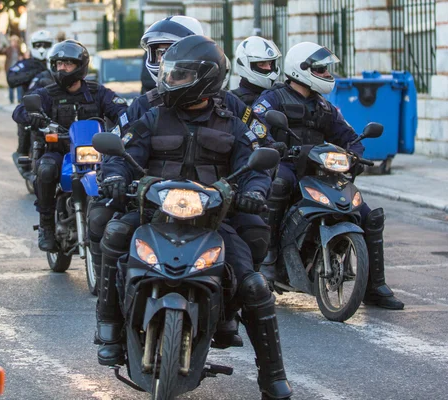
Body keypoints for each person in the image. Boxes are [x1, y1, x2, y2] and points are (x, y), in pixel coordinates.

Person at [95, 35, 292, 400]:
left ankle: (272, 377)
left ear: (207, 78)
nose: (171, 81)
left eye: (181, 76)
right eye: (171, 74)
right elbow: (121, 153)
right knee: (115, 234)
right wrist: (115, 178)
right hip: (153, 213)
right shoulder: (151, 116)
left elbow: (256, 166)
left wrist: (253, 192)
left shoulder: (232, 123)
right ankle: (109, 325)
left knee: (254, 284)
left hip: (214, 219)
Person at [253, 42, 405, 310]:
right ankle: (269, 260)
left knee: (368, 215)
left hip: (321, 168)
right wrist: (272, 145)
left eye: (325, 70)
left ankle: (375, 285)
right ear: (301, 70)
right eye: (320, 70)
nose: (326, 75)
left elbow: (347, 135)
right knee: (279, 185)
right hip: (288, 165)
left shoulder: (325, 106)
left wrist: (355, 152)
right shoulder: (272, 100)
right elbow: (255, 130)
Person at [12, 39, 128, 252]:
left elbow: (123, 111)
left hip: (92, 153)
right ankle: (46, 223)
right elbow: (20, 111)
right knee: (46, 170)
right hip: (58, 152)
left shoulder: (97, 92)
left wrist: (126, 122)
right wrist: (33, 116)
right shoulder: (47, 93)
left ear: (80, 66)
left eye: (67, 64)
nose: (61, 68)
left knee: (119, 173)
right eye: (58, 64)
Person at [7, 30, 54, 159]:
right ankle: (23, 154)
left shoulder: (57, 62)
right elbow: (11, 79)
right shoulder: (26, 64)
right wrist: (34, 73)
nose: (41, 48)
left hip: (55, 103)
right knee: (25, 122)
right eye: (38, 45)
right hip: (30, 104)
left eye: (45, 44)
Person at [232, 36, 282, 106]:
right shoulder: (233, 101)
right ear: (245, 65)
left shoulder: (280, 94)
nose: (268, 68)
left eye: (270, 63)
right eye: (261, 64)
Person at [0, 35, 24, 104]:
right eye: (13, 41)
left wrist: (21, 57)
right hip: (10, 69)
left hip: (18, 70)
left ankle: (19, 99)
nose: (14, 43)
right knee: (11, 84)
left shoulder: (19, 49)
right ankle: (11, 99)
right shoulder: (8, 48)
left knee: (19, 84)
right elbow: (1, 52)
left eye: (15, 41)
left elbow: (23, 56)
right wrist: (2, 47)